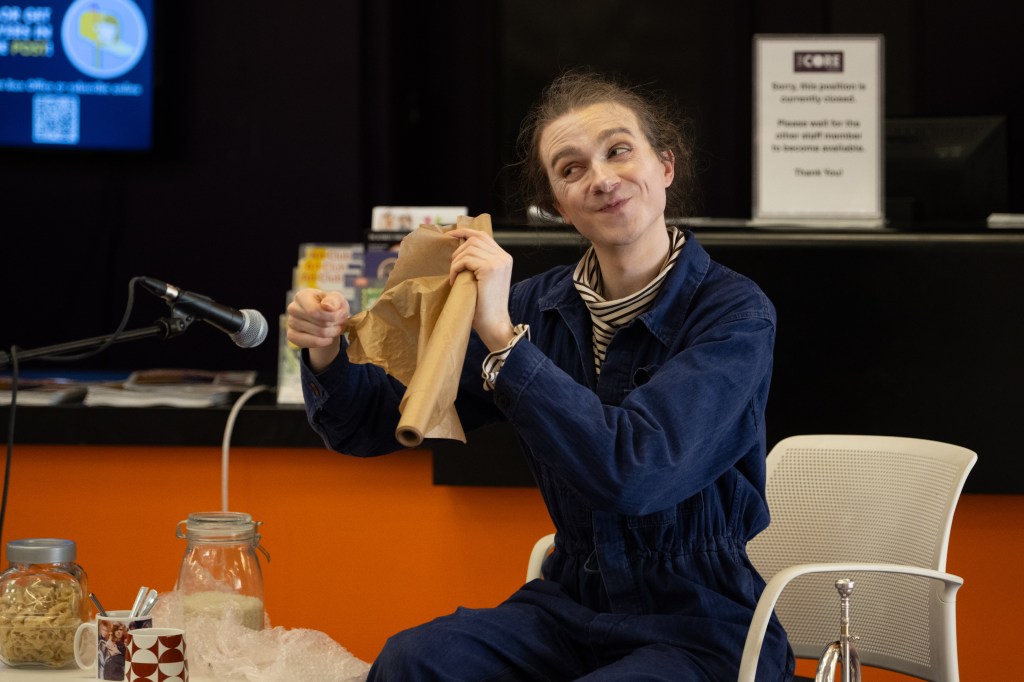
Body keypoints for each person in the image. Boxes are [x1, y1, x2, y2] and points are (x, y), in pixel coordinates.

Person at [287, 69, 795, 681]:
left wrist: (503, 340)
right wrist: (325, 352)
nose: (602, 179)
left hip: (703, 621)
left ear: (665, 166)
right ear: (559, 205)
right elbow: (376, 421)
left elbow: (635, 471)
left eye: (618, 150)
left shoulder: (734, 313)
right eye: (571, 168)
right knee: (413, 662)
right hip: (571, 606)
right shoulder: (536, 305)